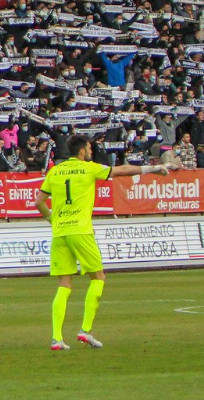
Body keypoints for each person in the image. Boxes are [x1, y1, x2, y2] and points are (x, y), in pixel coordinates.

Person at [36, 135, 172, 351]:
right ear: (82, 152)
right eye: (89, 148)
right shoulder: (89, 168)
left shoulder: (55, 171)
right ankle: (85, 330)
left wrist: (53, 219)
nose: (91, 151)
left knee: (64, 285)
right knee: (98, 277)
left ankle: (56, 339)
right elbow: (122, 171)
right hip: (80, 230)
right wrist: (152, 169)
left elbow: (39, 202)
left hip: (60, 232)